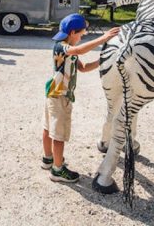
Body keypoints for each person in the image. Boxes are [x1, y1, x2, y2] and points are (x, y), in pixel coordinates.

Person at [42, 14, 120, 183]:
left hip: (53, 93)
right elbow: (78, 50)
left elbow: (83, 68)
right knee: (58, 134)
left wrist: (102, 60)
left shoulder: (69, 49)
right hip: (60, 96)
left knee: (48, 128)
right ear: (72, 32)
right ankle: (57, 170)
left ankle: (48, 158)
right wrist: (103, 38)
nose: (81, 37)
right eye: (81, 34)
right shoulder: (62, 46)